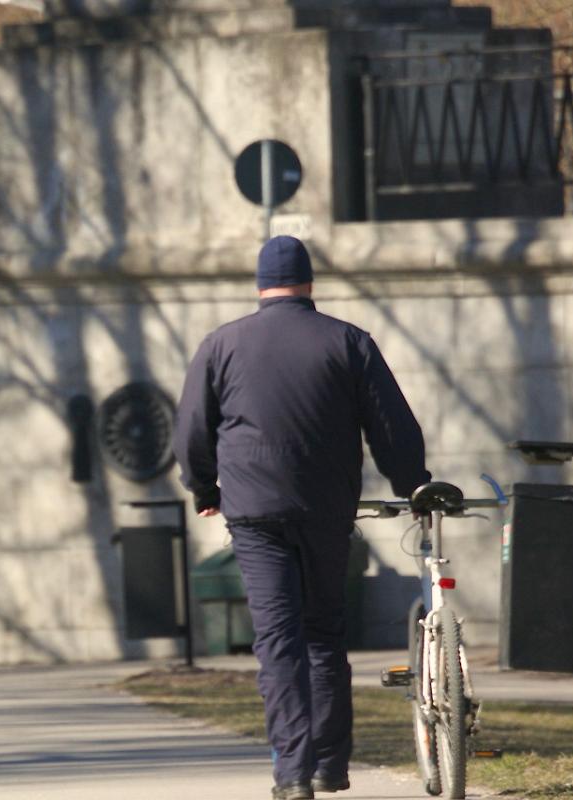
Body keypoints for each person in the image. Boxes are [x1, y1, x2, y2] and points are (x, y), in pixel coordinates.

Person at [172, 236, 430, 800]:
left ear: (262, 285)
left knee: (277, 640)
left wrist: (204, 487)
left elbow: (190, 428)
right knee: (324, 635)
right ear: (309, 283)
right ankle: (330, 765)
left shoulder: (221, 344)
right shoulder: (348, 341)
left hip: (254, 512)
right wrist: (411, 483)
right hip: (325, 508)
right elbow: (390, 426)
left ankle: (292, 773)